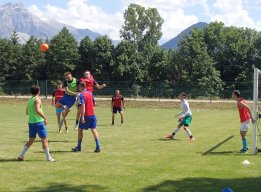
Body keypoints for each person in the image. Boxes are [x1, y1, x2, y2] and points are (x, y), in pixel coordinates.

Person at [18, 85, 55, 162]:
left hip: (31, 122)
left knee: (31, 140)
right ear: (38, 91)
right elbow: (38, 110)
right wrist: (45, 118)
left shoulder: (29, 100)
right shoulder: (37, 99)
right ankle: (48, 157)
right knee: (44, 139)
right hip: (38, 122)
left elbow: (27, 112)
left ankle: (21, 155)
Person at [72, 81, 101, 153]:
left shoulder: (81, 95)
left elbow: (83, 106)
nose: (78, 88)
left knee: (79, 129)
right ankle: (98, 146)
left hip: (86, 116)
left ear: (81, 87)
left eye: (78, 87)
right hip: (92, 115)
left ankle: (79, 147)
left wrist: (82, 117)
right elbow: (94, 103)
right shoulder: (90, 93)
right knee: (94, 129)